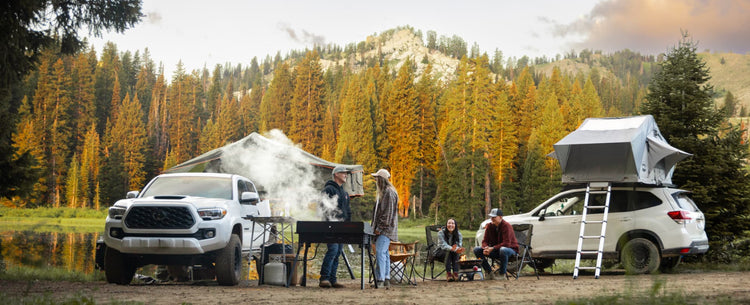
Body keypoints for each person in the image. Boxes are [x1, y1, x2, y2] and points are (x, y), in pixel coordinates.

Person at [319, 166, 351, 288]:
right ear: (336, 174)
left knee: (337, 252)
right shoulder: (328, 190)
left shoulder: (344, 193)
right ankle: (324, 278)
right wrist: (329, 223)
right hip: (330, 227)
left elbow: (348, 211)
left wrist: (349, 227)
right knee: (332, 250)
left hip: (342, 228)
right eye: (344, 173)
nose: (346, 175)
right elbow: (323, 208)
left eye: (346, 174)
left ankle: (332, 279)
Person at [370, 168, 398, 289]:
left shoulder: (388, 192)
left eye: (377, 178)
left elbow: (387, 214)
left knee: (380, 253)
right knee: (384, 253)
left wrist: (379, 229)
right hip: (385, 229)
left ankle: (380, 280)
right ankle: (385, 278)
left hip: (385, 230)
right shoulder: (385, 191)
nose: (375, 180)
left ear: (381, 179)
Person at [473, 208, 518, 280]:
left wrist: (493, 248)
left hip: (510, 250)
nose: (492, 219)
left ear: (500, 217)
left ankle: (502, 274)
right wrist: (485, 248)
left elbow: (507, 243)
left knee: (503, 249)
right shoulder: (490, 226)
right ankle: (489, 272)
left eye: (494, 217)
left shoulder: (506, 226)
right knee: (477, 249)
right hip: (496, 250)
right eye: (491, 217)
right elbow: (485, 241)